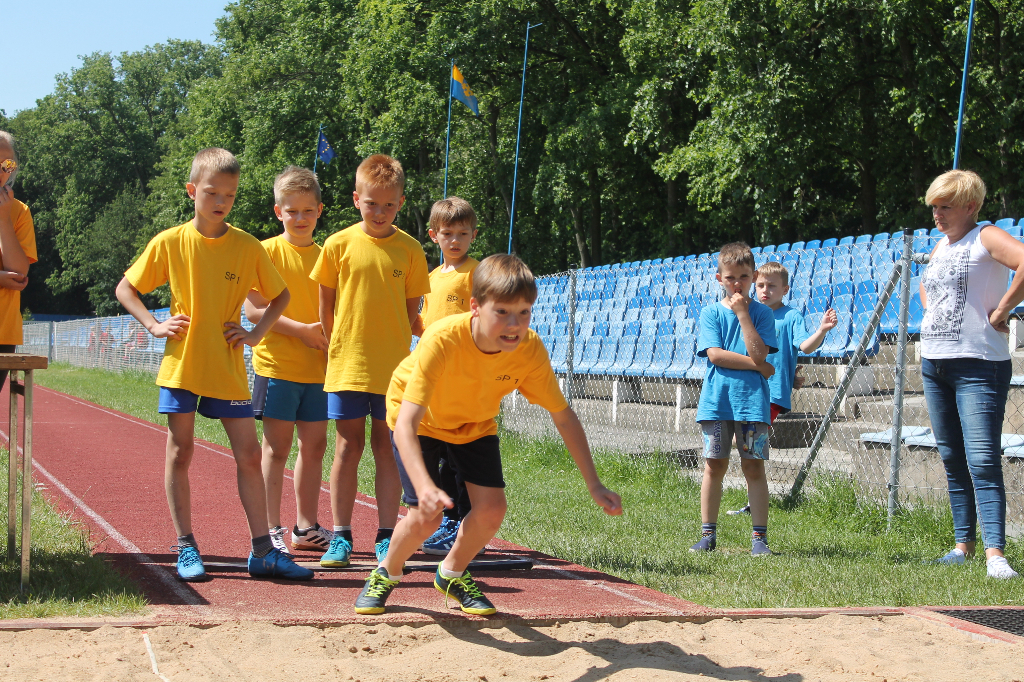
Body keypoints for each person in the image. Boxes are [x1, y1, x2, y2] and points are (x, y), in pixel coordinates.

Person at [353, 254, 622, 616]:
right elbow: (405, 424)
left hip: (473, 422)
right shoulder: (443, 338)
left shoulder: (528, 350)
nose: (515, 324)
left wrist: (594, 483)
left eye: (524, 312)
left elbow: (563, 417)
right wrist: (426, 486)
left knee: (492, 510)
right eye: (503, 312)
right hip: (421, 420)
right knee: (426, 517)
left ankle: (451, 573)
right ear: (476, 306)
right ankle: (386, 573)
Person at [115, 147, 313, 582]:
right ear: (192, 191)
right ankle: (187, 545)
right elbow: (125, 288)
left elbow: (280, 296)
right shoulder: (169, 241)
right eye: (211, 192)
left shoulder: (245, 246)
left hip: (226, 368)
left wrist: (256, 334)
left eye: (230, 194)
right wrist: (152, 323)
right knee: (180, 450)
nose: (221, 201)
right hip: (183, 365)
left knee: (246, 453)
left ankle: (263, 550)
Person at [310, 154, 430, 568]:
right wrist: (334, 346)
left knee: (387, 448)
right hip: (347, 364)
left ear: (400, 202)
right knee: (347, 446)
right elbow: (325, 307)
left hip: (394, 371)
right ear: (356, 199)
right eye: (371, 203)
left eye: (389, 205)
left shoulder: (411, 250)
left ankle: (385, 535)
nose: (379, 212)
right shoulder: (337, 244)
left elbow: (410, 312)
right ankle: (340, 536)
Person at [920, 169, 1024, 580]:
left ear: (970, 206)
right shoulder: (940, 246)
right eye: (933, 207)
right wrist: (932, 314)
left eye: (945, 206)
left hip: (980, 363)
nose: (937, 214)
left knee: (982, 458)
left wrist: (1002, 311)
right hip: (935, 363)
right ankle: (962, 545)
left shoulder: (986, 235)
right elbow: (929, 286)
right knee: (951, 457)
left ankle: (995, 554)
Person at [244, 166, 332, 557]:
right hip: (276, 366)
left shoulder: (330, 255)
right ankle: (269, 530)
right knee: (275, 450)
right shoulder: (263, 251)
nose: (300, 218)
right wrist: (302, 331)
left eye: (307, 211)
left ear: (319, 211)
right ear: (278, 212)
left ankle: (305, 527)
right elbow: (251, 310)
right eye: (291, 211)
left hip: (318, 370)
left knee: (314, 448)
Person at [690, 242, 778, 556]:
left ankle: (758, 539)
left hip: (752, 403)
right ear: (719, 279)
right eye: (731, 278)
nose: (737, 283)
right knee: (714, 466)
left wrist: (743, 314)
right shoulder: (710, 313)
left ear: (754, 276)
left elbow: (759, 350)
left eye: (743, 276)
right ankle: (707, 534)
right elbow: (715, 355)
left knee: (753, 468)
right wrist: (759, 367)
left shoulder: (762, 314)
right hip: (717, 403)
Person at [729, 261, 837, 516]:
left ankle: (755, 502)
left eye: (772, 286)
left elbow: (805, 347)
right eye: (761, 285)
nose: (765, 290)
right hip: (748, 387)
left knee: (748, 443)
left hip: (772, 392)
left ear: (785, 289)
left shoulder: (790, 316)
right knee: (747, 444)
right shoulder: (751, 314)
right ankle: (753, 501)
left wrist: (821, 330)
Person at [412, 197, 482, 556]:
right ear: (433, 235)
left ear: (473, 235)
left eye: (463, 233)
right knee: (435, 452)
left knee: (462, 454)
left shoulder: (477, 273)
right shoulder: (429, 279)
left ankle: (467, 525)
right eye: (448, 233)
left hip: (464, 378)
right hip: (433, 377)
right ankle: (447, 519)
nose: (455, 240)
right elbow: (424, 324)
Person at [0, 131, 36, 391]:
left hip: (3, 331)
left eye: (8, 164)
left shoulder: (18, 211)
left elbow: (19, 271)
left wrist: (3, 219)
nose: (2, 170)